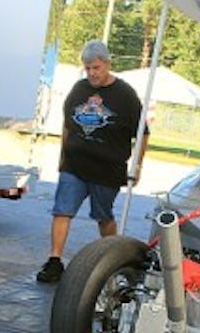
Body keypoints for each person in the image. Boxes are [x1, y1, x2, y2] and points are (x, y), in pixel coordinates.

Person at [36, 40, 147, 283]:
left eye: (96, 67)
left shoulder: (125, 95)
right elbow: (67, 124)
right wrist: (63, 157)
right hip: (75, 165)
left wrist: (137, 165)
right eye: (87, 68)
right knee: (62, 211)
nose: (92, 73)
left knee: (103, 216)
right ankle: (54, 260)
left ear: (107, 64)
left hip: (107, 169)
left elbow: (143, 133)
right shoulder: (79, 89)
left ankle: (113, 259)